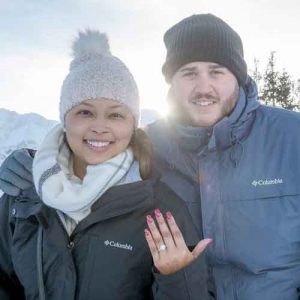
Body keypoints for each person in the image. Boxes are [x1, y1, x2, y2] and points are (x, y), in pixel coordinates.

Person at [2, 13, 300, 300]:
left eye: (217, 71)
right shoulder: (151, 144)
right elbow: (90, 149)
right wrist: (33, 165)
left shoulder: (291, 137)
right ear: (172, 82)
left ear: (237, 76)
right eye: (189, 72)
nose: (203, 86)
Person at [0, 29, 212, 300]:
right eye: (85, 112)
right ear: (65, 119)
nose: (100, 127)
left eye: (115, 115)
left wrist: (179, 278)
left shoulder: (161, 211)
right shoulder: (23, 196)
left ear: (132, 125)